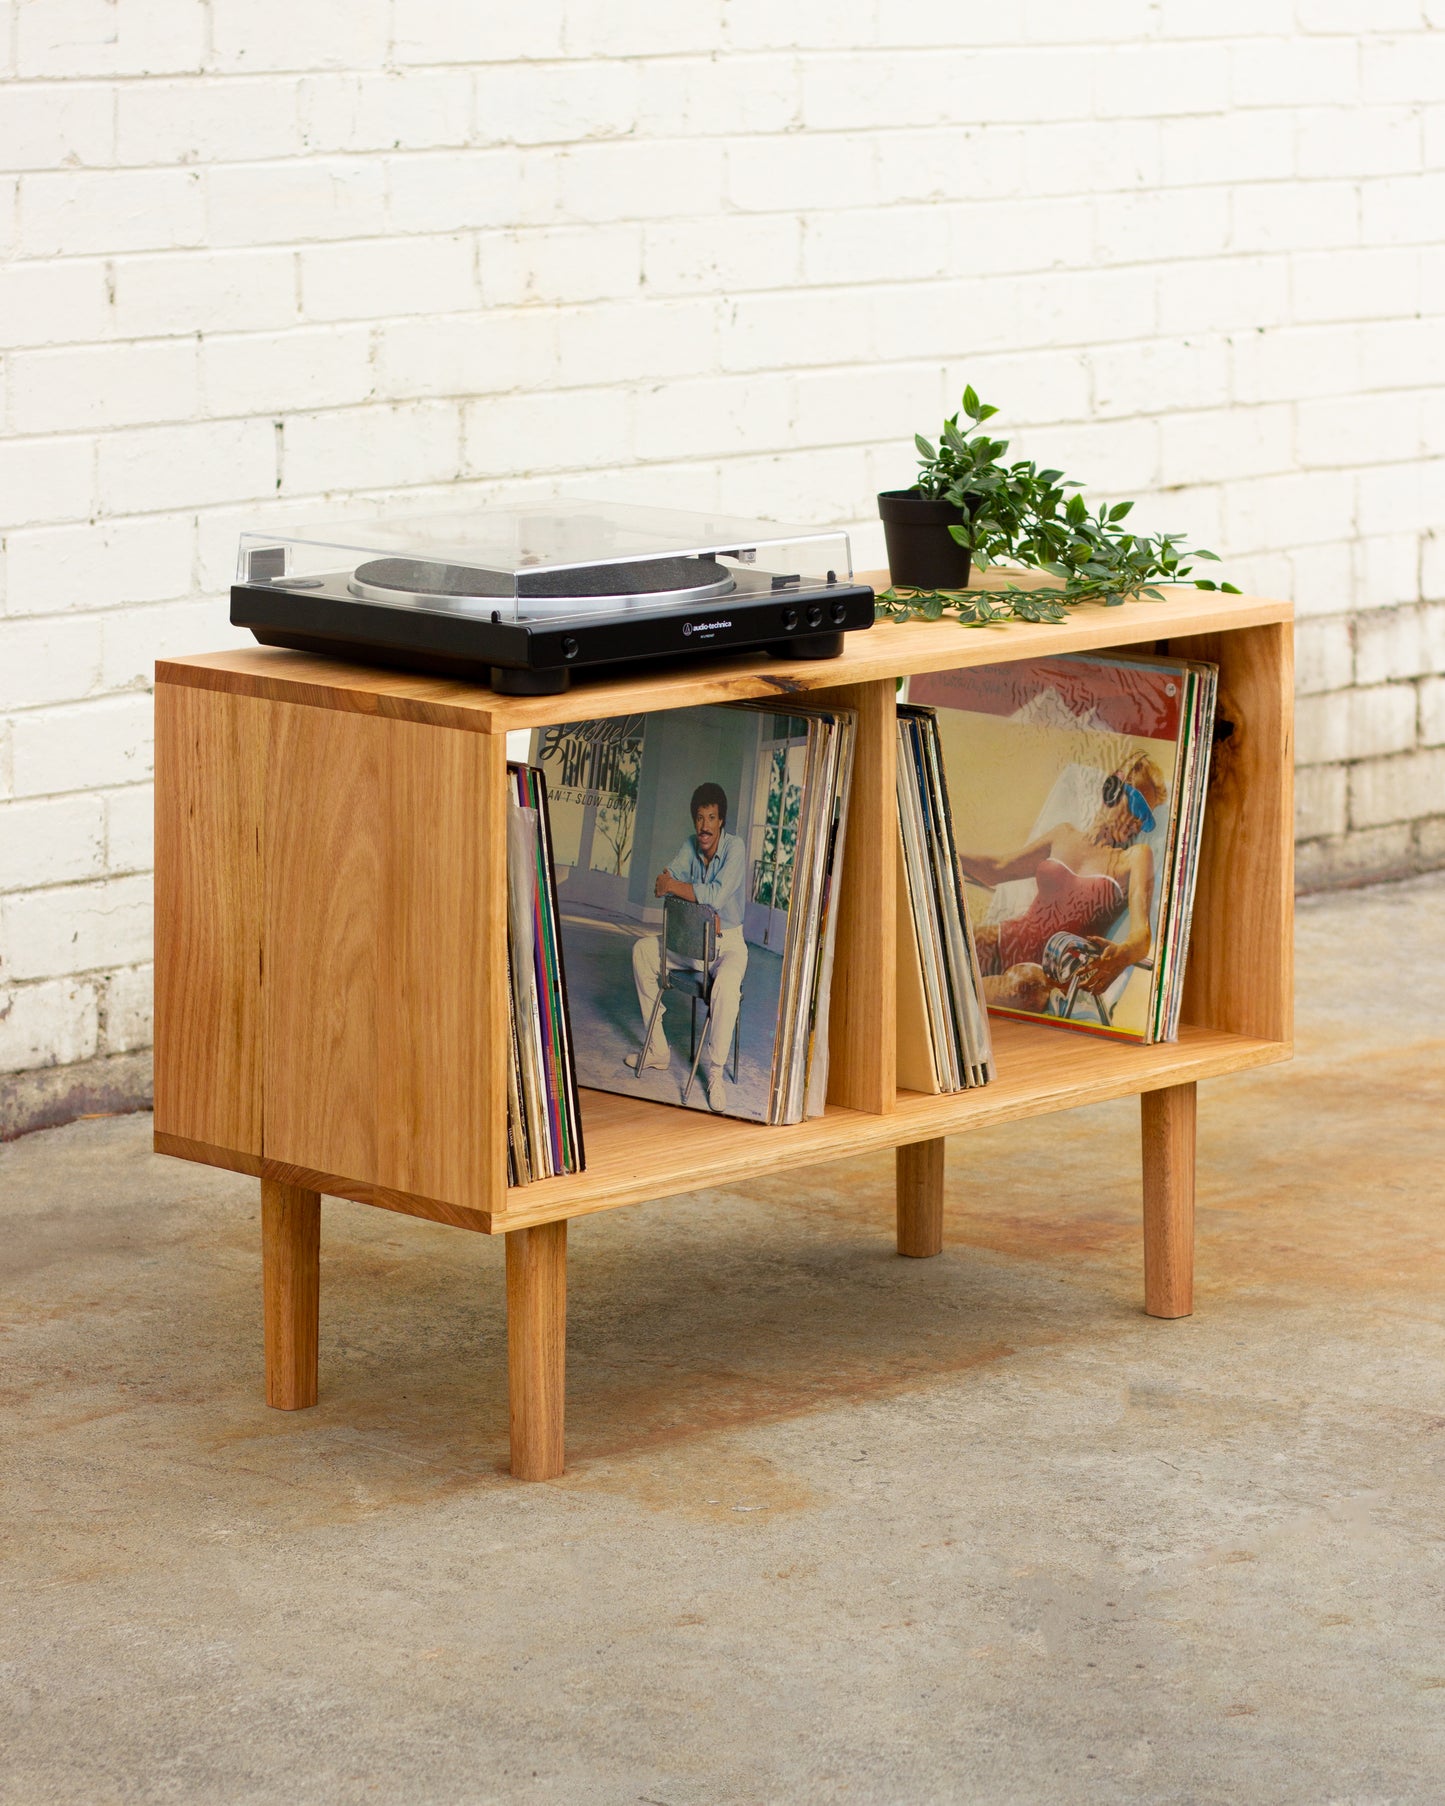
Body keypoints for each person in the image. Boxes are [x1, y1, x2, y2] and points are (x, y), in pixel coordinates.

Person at [957, 751, 1166, 1015]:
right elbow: (997, 869)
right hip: (1007, 939)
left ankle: (950, 997)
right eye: (1138, 808)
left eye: (1147, 819)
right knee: (951, 944)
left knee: (1024, 988)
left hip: (1052, 971)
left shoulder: (1134, 858)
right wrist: (940, 849)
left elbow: (1141, 935)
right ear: (1112, 790)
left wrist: (1124, 953)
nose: (1138, 822)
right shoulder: (1063, 835)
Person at [627, 781, 748, 1113]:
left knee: (726, 984)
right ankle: (658, 1050)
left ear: (721, 821)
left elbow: (715, 896)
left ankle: (715, 1073)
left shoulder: (736, 849)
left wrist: (680, 889)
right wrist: (695, 903)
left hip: (728, 946)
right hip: (693, 944)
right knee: (643, 951)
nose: (704, 826)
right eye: (699, 817)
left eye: (711, 818)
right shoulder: (689, 845)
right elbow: (660, 886)